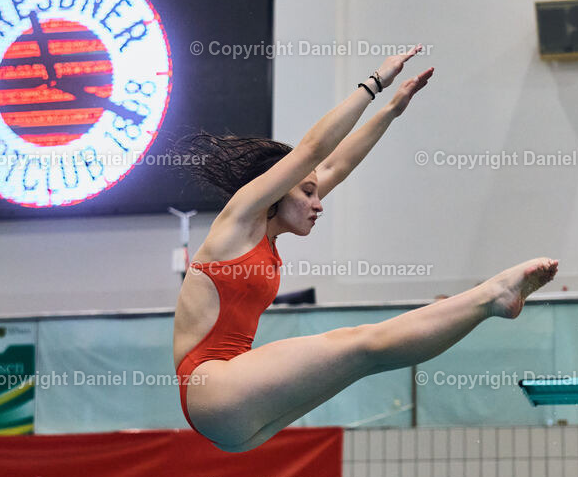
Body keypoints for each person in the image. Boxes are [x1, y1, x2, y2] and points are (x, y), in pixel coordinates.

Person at [173, 46, 558, 451]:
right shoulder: (237, 220)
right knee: (361, 341)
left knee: (366, 357)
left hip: (235, 415)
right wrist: (374, 83)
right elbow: (312, 151)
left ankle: (490, 302)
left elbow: (334, 166)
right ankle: (493, 296)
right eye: (307, 192)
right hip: (211, 386)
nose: (319, 203)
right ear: (275, 185)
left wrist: (391, 110)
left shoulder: (265, 237)